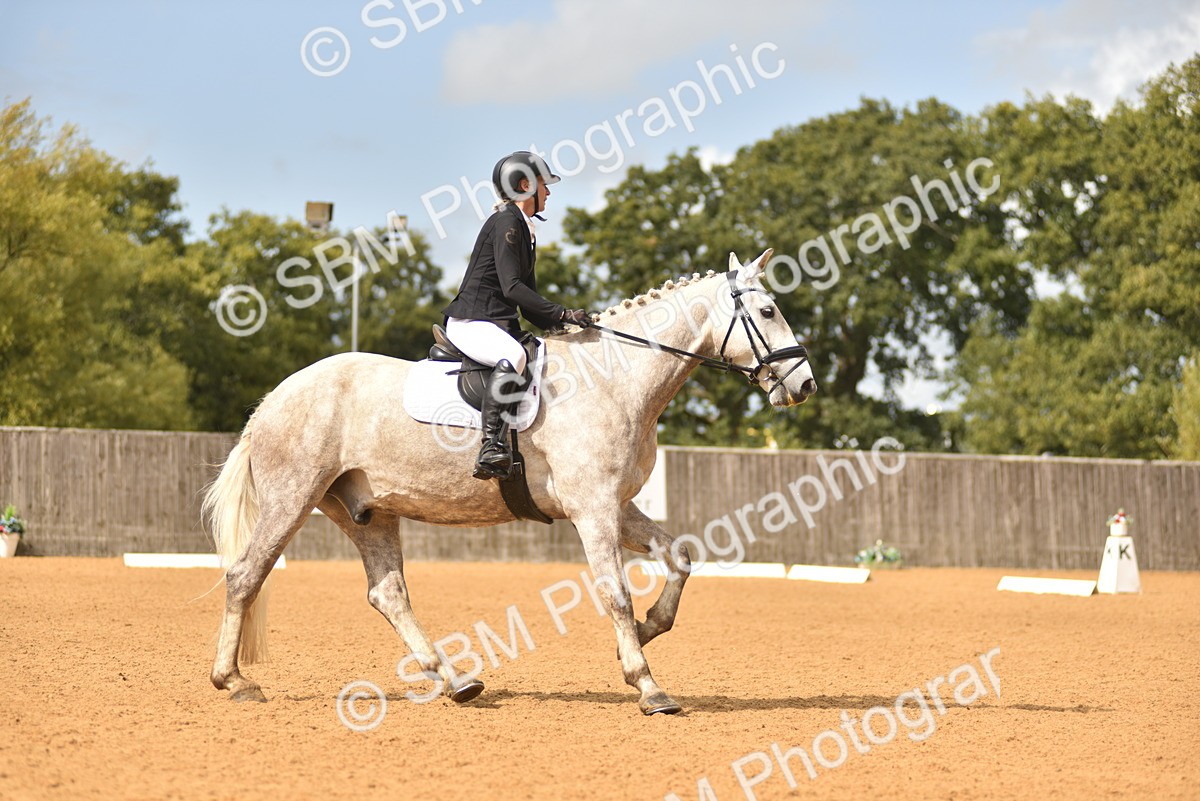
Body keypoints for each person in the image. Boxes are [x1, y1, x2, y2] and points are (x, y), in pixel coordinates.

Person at [442, 151, 589, 480]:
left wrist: (566, 323)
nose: (548, 192)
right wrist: (562, 311)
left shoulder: (526, 228)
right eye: (543, 185)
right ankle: (490, 444)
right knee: (513, 355)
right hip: (472, 321)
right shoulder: (507, 222)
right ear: (525, 185)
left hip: (494, 321)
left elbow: (527, 302)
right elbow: (511, 288)